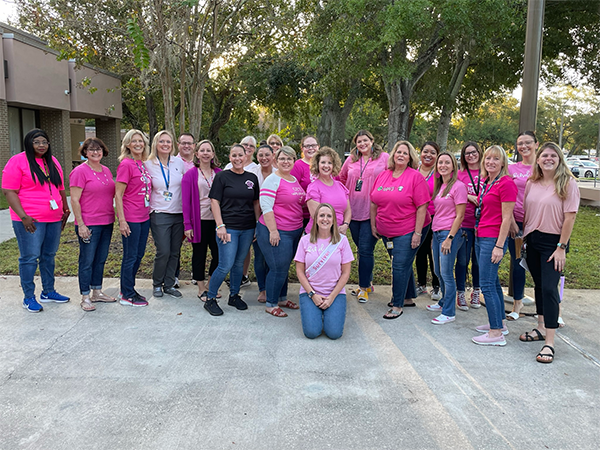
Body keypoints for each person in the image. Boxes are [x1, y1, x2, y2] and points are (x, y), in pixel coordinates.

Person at [520, 142, 579, 363]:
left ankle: (550, 342)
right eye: (544, 155)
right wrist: (525, 239)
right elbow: (527, 212)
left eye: (553, 155)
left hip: (554, 243)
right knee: (538, 286)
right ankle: (540, 327)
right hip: (533, 239)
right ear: (538, 159)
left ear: (559, 158)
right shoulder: (532, 183)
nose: (548, 158)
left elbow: (570, 217)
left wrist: (561, 248)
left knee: (549, 288)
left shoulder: (568, 183)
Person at [2, 129, 71, 312]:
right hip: (30, 220)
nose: (41, 145)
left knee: (48, 256)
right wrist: (24, 217)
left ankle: (48, 291)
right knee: (29, 258)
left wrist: (65, 208)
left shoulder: (52, 161)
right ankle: (28, 297)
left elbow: (60, 187)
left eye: (44, 142)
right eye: (37, 142)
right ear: (29, 143)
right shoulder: (17, 161)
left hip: (54, 219)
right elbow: (9, 191)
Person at [370, 141, 431, 320]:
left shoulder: (415, 177)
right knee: (402, 263)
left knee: (399, 265)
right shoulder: (383, 175)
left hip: (409, 228)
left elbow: (422, 207)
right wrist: (374, 225)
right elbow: (374, 201)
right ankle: (409, 297)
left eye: (405, 153)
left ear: (410, 157)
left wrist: (417, 233)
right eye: (398, 152)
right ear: (393, 155)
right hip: (386, 230)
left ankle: (397, 304)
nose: (401, 155)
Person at [204, 144, 260, 316]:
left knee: (238, 263)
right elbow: (214, 202)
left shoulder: (252, 178)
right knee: (225, 264)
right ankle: (210, 298)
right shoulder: (222, 177)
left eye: (240, 155)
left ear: (246, 157)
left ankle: (234, 295)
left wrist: (257, 224)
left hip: (248, 227)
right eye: (234, 155)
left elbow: (256, 202)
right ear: (230, 157)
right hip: (228, 228)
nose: (237, 158)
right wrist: (220, 226)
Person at [472, 145, 517, 346]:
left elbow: (507, 218)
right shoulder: (489, 181)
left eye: (495, 159)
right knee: (494, 282)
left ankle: (495, 333)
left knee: (487, 285)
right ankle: (500, 322)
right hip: (482, 235)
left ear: (503, 163)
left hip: (493, 239)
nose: (491, 162)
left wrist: (499, 246)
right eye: (488, 158)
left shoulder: (506, 183)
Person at [339, 130, 389, 303]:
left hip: (373, 211)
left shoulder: (384, 158)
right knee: (362, 250)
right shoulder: (351, 160)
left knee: (366, 250)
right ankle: (368, 282)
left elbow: (394, 175)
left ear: (372, 141)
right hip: (352, 212)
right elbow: (341, 178)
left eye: (365, 140)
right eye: (359, 142)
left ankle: (363, 287)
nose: (362, 144)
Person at [256, 146, 306, 317]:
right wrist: (273, 230)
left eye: (289, 158)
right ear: (276, 161)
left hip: (294, 230)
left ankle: (282, 298)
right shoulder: (272, 179)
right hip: (277, 230)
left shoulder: (293, 179)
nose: (286, 162)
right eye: (282, 158)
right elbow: (266, 206)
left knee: (284, 266)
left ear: (294, 161)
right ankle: (271, 303)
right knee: (277, 267)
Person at [69, 138, 116, 311]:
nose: (96, 152)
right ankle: (85, 296)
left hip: (107, 221)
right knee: (87, 260)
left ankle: (97, 291)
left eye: (99, 149)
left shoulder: (106, 170)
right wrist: (81, 224)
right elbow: (74, 199)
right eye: (91, 150)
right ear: (85, 152)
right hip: (89, 223)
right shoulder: (80, 172)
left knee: (100, 259)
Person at [294, 203, 354, 339]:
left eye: (329, 216)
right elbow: (299, 271)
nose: (325, 219)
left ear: (334, 220)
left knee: (334, 334)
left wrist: (332, 297)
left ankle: (327, 313)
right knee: (312, 333)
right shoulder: (304, 240)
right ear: (315, 219)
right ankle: (316, 312)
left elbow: (345, 273)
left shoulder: (342, 241)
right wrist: (312, 294)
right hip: (310, 293)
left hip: (335, 293)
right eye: (321, 215)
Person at [426, 152, 467, 324]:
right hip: (436, 233)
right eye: (440, 162)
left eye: (447, 163)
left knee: (446, 273)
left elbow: (460, 215)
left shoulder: (458, 186)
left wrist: (450, 237)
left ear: (453, 166)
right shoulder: (440, 186)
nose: (443, 165)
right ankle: (443, 302)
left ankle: (449, 312)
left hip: (449, 233)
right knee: (438, 271)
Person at [115, 129, 152, 307]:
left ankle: (129, 288)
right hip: (131, 217)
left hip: (144, 217)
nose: (138, 144)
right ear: (128, 144)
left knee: (138, 255)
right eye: (134, 141)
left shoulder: (142, 163)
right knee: (130, 256)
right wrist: (122, 220)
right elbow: (118, 195)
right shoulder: (126, 164)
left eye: (141, 141)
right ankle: (126, 294)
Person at [146, 130, 185, 299]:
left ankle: (169, 284)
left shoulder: (179, 162)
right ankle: (157, 284)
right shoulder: (149, 164)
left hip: (179, 213)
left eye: (168, 142)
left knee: (175, 251)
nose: (165, 144)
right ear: (156, 144)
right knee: (163, 250)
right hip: (159, 213)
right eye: (162, 141)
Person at [182, 139, 222, 300]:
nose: (205, 153)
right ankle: (200, 288)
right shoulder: (190, 174)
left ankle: (210, 285)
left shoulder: (219, 173)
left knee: (218, 254)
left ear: (213, 154)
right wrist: (187, 225)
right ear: (196, 154)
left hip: (217, 221)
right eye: (202, 150)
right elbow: (185, 202)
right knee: (199, 254)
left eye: (208, 150)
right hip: (199, 221)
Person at [506, 131, 538, 320]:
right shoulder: (511, 169)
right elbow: (506, 197)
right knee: (518, 263)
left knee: (541, 266)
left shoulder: (543, 167)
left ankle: (552, 309)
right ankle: (517, 305)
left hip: (538, 223)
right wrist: (510, 221)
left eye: (528, 143)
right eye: (520, 143)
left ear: (536, 144)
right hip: (516, 223)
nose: (524, 146)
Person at [455, 141, 484, 310]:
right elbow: (452, 191)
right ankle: (460, 291)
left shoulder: (487, 172)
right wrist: (467, 196)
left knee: (478, 261)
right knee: (462, 260)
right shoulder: (460, 174)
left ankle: (476, 291)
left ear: (480, 153)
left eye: (474, 152)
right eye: (467, 153)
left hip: (483, 224)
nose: (471, 155)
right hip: (464, 222)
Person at [251, 144, 277, 303]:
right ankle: (262, 289)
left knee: (272, 256)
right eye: (260, 155)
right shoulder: (252, 174)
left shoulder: (279, 173)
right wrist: (255, 223)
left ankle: (272, 287)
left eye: (267, 154)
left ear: (273, 156)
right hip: (257, 219)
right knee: (260, 256)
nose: (264, 158)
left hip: (276, 220)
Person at [415, 141, 441, 300]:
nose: (428, 155)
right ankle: (422, 284)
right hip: (417, 217)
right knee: (420, 251)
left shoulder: (440, 173)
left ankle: (437, 286)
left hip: (435, 217)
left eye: (432, 152)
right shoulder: (413, 171)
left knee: (434, 253)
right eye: (425, 151)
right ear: (420, 152)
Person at [305, 146, 351, 235]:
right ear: (317, 165)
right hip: (319, 236)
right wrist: (334, 231)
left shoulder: (340, 186)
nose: (326, 166)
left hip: (339, 234)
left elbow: (348, 210)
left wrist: (345, 225)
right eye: (323, 162)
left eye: (329, 163)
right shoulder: (313, 188)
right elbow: (316, 215)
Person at [291, 135, 319, 226]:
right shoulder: (298, 165)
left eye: (313, 145)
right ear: (302, 148)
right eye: (307, 146)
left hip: (323, 213)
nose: (311, 148)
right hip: (304, 215)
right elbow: (293, 189)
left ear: (318, 146)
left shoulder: (324, 164)